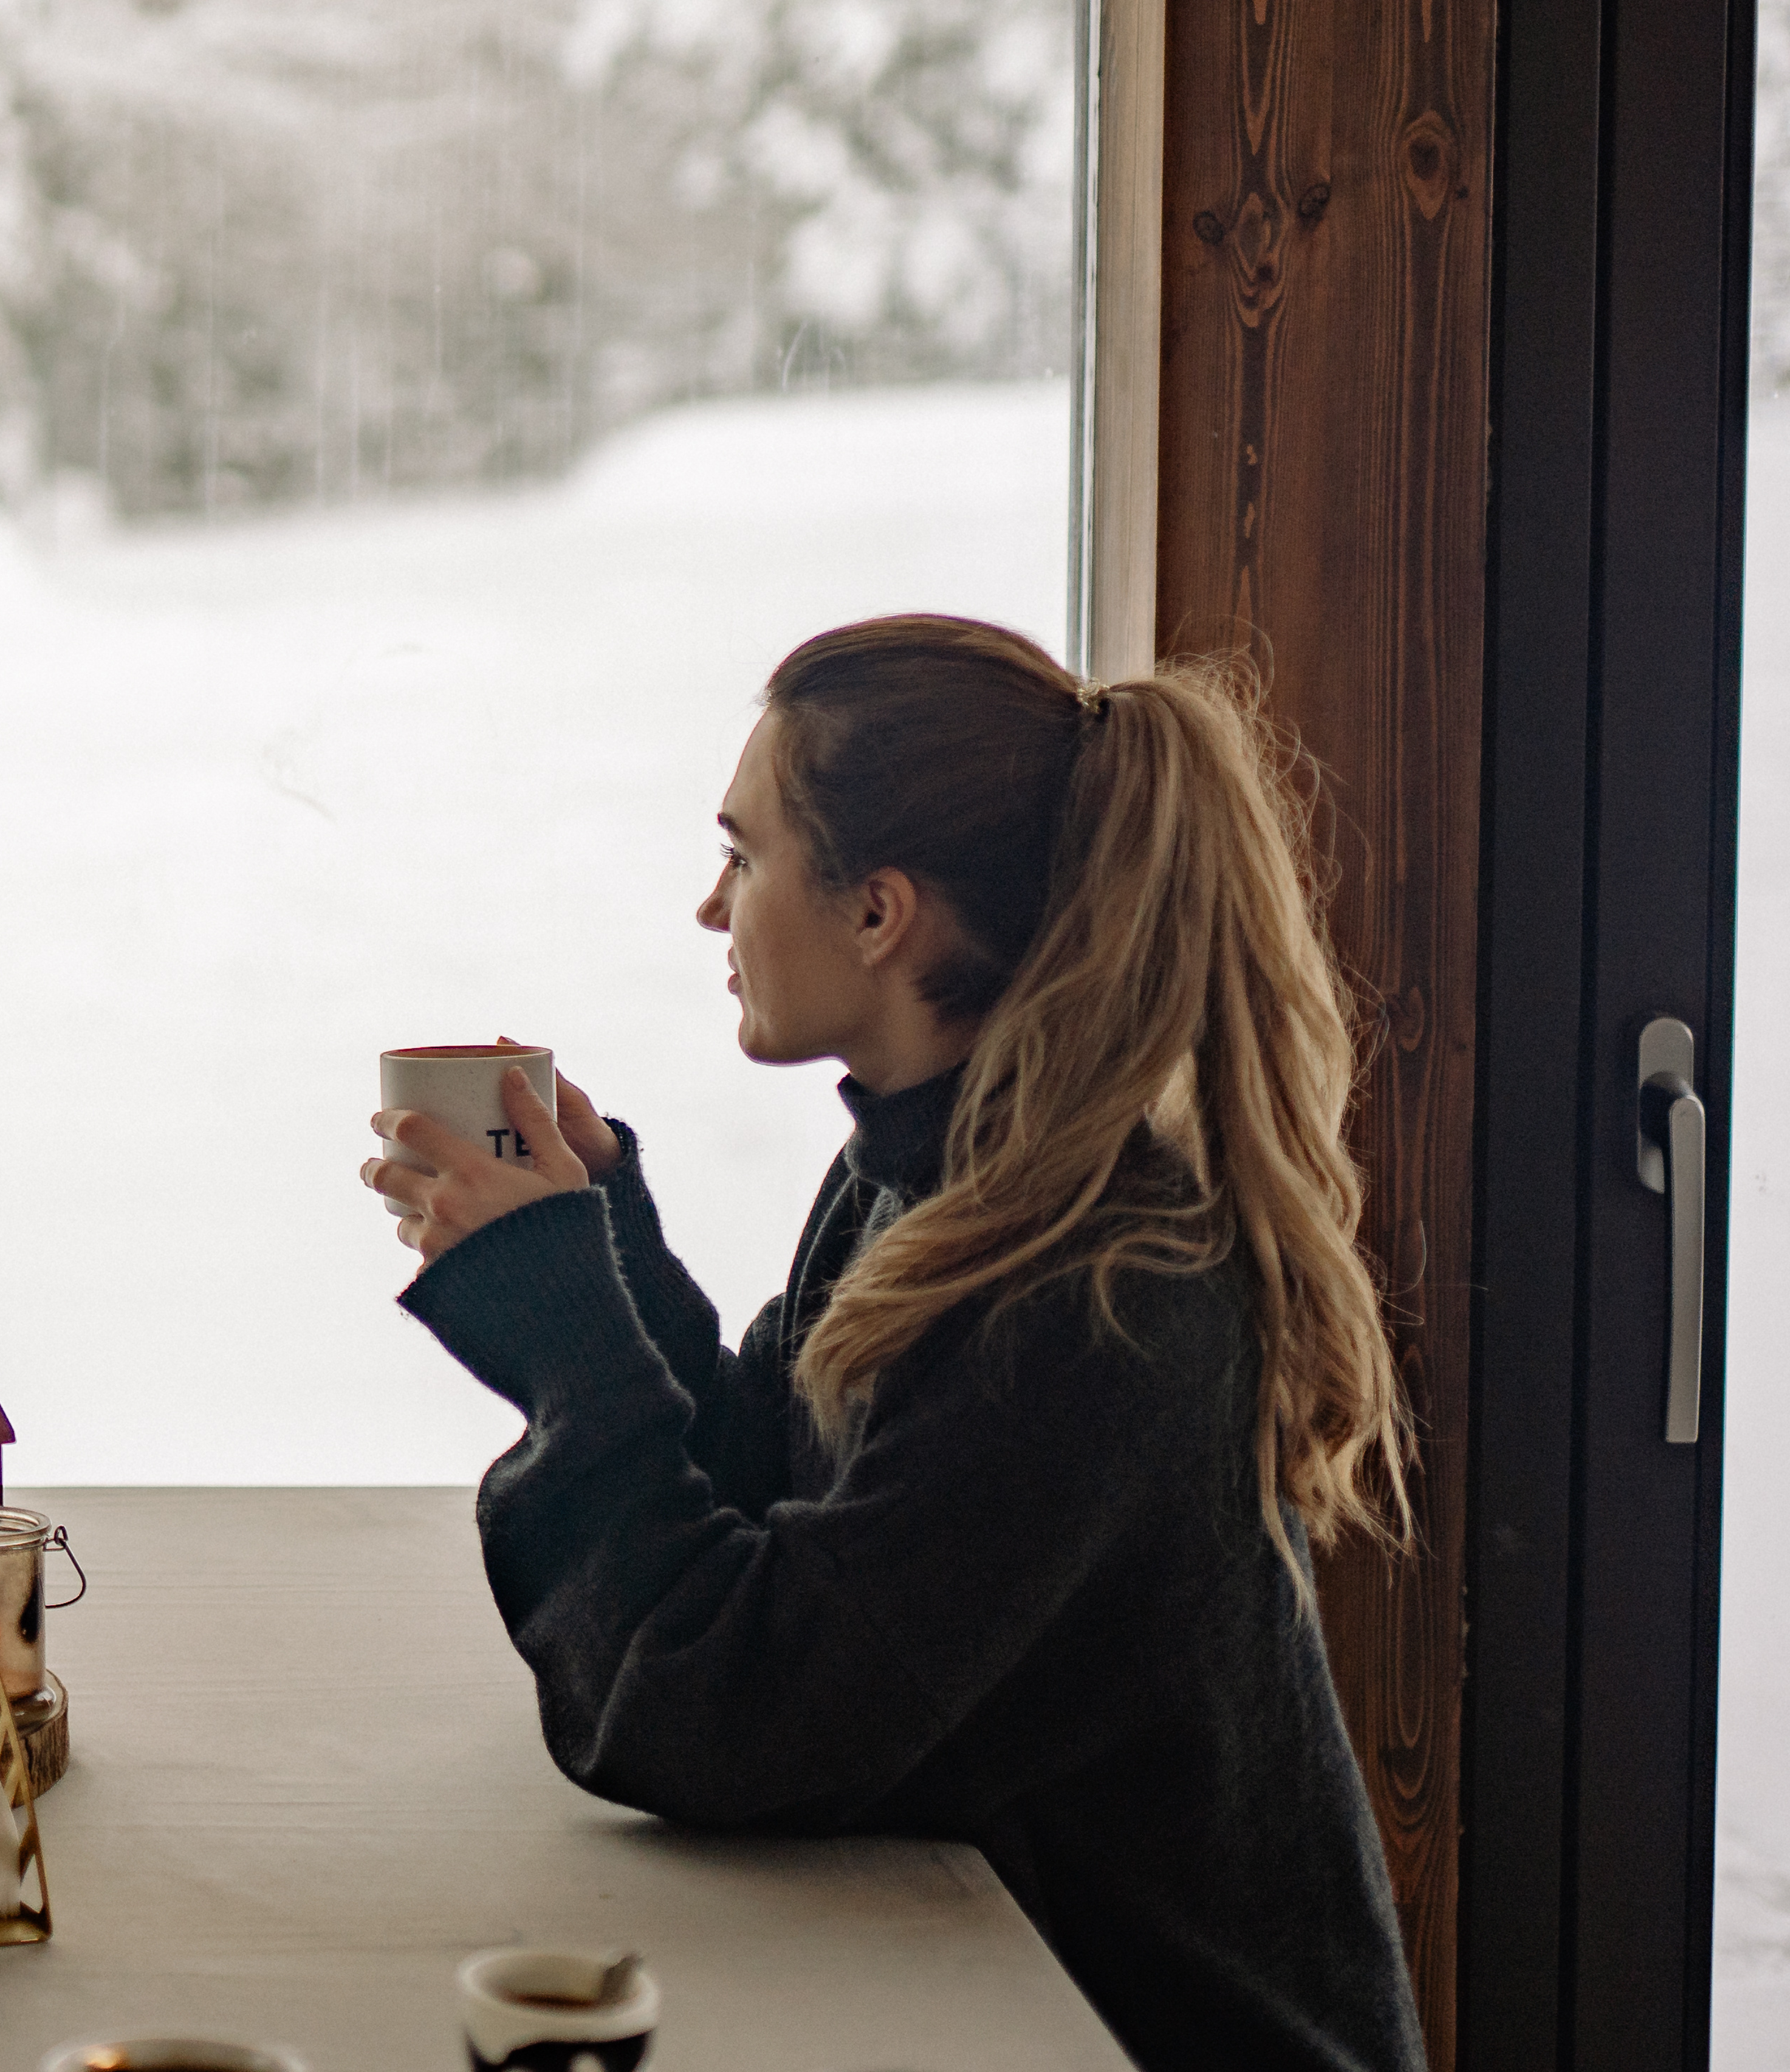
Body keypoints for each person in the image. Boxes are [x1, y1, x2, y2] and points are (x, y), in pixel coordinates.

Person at [361, 615, 1427, 2072]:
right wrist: (599, 1248)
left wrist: (567, 1344)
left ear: (879, 914)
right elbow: (774, 1490)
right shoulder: (944, 1177)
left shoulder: (1089, 1294)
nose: (710, 909)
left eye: (742, 857)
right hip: (995, 1998)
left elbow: (726, 1712)